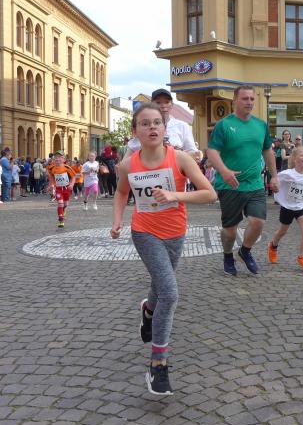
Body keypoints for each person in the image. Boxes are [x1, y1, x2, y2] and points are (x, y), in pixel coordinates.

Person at [111, 102, 216, 396]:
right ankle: (158, 364)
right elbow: (121, 192)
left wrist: (175, 195)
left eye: (157, 122)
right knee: (169, 292)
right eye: (145, 123)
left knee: (160, 285)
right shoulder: (128, 164)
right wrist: (117, 220)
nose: (152, 128)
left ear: (164, 128)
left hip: (175, 232)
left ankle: (148, 310)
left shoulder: (180, 158)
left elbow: (209, 193)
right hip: (144, 232)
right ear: (135, 131)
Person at [205, 86, 279, 277]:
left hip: (254, 184)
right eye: (245, 98)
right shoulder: (224, 125)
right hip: (230, 185)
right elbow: (212, 151)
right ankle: (228, 255)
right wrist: (224, 171)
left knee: (258, 222)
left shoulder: (261, 125)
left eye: (252, 99)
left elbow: (267, 151)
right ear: (235, 101)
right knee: (230, 231)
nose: (249, 102)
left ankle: (245, 251)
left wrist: (274, 176)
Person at [267, 145, 303, 268]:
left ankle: (301, 257)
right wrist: (275, 187)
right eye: (302, 155)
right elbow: (275, 180)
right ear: (295, 159)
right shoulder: (287, 174)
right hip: (287, 207)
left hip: (300, 207)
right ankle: (273, 245)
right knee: (283, 231)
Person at [124, 89, 199, 160]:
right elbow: (126, 160)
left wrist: (175, 153)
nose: (163, 105)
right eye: (158, 102)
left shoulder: (182, 126)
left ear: (172, 104)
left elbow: (193, 153)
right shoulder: (143, 127)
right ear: (151, 105)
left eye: (167, 102)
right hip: (146, 168)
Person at [48, 151, 76, 228]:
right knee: (60, 203)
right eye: (56, 157)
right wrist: (51, 185)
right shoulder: (51, 168)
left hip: (67, 189)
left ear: (63, 159)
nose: (57, 159)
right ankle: (61, 219)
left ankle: (63, 211)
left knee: (65, 204)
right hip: (58, 189)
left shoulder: (67, 168)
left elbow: (73, 177)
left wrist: (71, 184)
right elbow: (51, 177)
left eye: (59, 157)